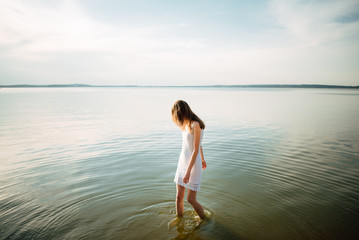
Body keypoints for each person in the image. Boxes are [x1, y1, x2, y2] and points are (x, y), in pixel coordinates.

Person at [171, 100, 207, 219]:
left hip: (192, 165)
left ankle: (205, 219)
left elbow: (196, 148)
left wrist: (188, 171)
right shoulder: (185, 124)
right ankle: (179, 221)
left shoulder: (195, 124)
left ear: (181, 112)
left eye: (177, 116)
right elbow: (196, 144)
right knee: (179, 197)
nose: (177, 119)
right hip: (182, 162)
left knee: (190, 199)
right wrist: (203, 159)